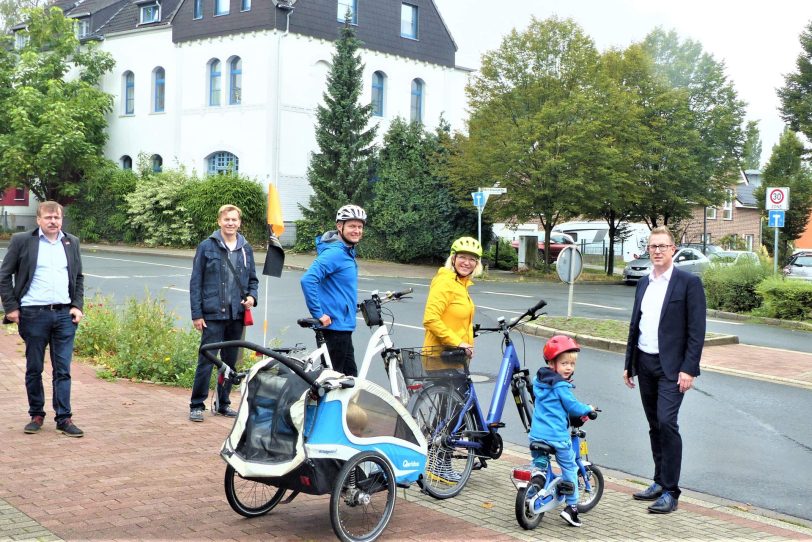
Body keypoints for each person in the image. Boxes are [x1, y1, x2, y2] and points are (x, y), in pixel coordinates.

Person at [623, 226, 706, 514]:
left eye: (662, 246)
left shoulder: (688, 283)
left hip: (673, 367)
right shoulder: (644, 283)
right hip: (645, 363)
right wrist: (629, 364)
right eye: (652, 246)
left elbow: (696, 331)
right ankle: (658, 482)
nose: (657, 250)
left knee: (667, 423)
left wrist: (689, 369)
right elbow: (636, 325)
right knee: (654, 425)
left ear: (673, 250)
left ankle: (671, 490)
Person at [0, 201, 85, 437]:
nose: (53, 221)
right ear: (38, 219)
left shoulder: (71, 242)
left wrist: (77, 305)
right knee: (34, 367)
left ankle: (64, 418)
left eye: (57, 218)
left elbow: (78, 277)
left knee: (63, 369)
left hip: (63, 315)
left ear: (61, 219)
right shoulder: (22, 241)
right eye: (48, 217)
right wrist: (11, 308)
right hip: (33, 314)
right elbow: (4, 275)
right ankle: (36, 414)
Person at [189, 204, 258, 422]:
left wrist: (252, 297)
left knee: (230, 362)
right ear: (219, 221)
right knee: (207, 360)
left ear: (239, 223)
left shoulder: (246, 248)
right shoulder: (206, 247)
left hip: (236, 315)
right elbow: (195, 282)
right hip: (212, 315)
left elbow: (253, 280)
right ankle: (196, 405)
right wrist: (196, 314)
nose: (230, 223)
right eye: (227, 219)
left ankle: (223, 403)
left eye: (234, 220)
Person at [529, 335, 595, 528]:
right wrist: (588, 409)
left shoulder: (538, 382)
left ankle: (538, 480)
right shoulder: (561, 386)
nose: (569, 368)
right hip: (556, 438)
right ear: (551, 363)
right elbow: (573, 406)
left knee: (540, 464)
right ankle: (571, 508)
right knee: (570, 469)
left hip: (535, 435)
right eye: (564, 363)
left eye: (572, 364)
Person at [300, 204, 366, 377]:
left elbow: (338, 288)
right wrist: (318, 313)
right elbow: (308, 280)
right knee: (332, 381)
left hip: (343, 326)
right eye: (352, 226)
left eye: (360, 227)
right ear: (339, 226)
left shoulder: (347, 252)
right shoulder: (335, 253)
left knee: (349, 378)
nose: (357, 230)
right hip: (334, 328)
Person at [422, 236, 483, 371]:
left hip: (456, 358)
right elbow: (430, 319)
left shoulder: (461, 284)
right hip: (440, 359)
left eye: (472, 259)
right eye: (462, 257)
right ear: (453, 259)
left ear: (477, 264)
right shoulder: (445, 282)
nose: (467, 262)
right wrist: (459, 343)